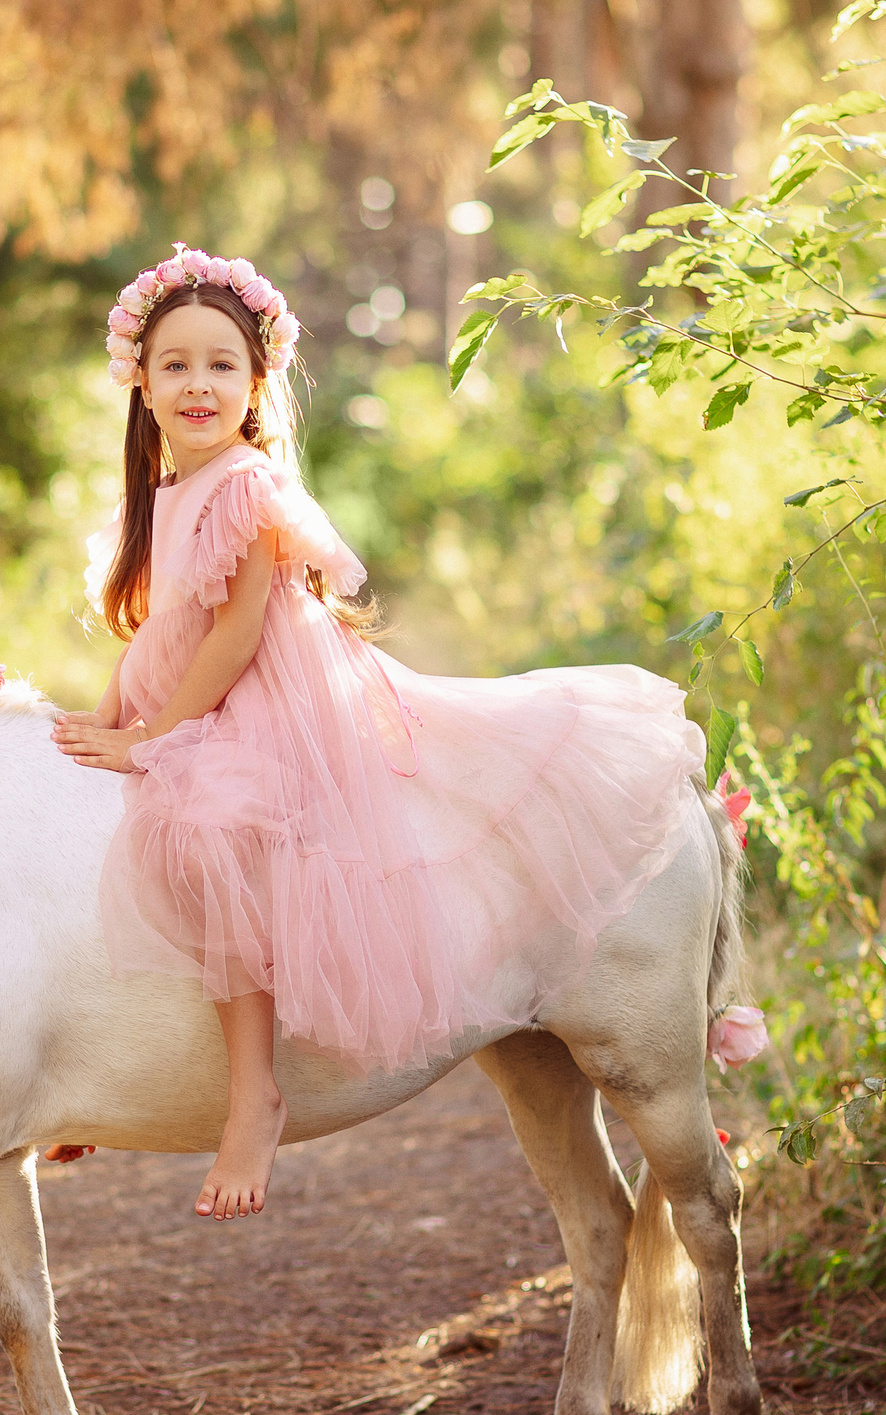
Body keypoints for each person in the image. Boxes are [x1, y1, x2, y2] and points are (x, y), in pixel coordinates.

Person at [53, 247, 705, 1222]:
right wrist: (113, 714)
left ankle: (252, 1099)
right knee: (87, 814)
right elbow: (168, 629)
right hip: (206, 695)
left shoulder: (243, 487)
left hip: (269, 708)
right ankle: (96, 1064)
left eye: (222, 364)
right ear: (138, 383)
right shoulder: (162, 496)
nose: (198, 384)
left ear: (257, 383)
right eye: (176, 364)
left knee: (206, 829)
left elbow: (232, 640)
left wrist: (153, 735)